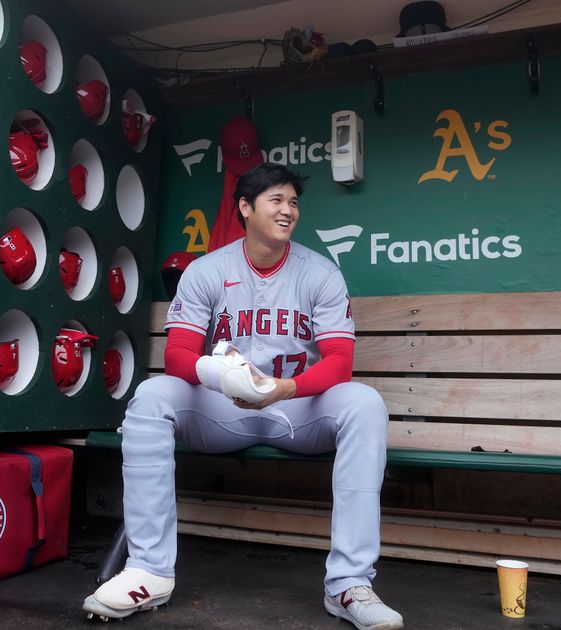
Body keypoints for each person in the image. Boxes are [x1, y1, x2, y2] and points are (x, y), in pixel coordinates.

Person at [83, 163, 402, 629]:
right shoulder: (208, 270)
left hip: (295, 409)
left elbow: (339, 363)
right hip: (226, 409)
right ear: (245, 208)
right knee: (152, 396)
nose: (287, 210)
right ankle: (149, 571)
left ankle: (350, 585)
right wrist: (224, 376)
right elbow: (178, 356)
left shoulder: (320, 273)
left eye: (293, 202)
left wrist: (283, 389)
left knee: (364, 403)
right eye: (276, 200)